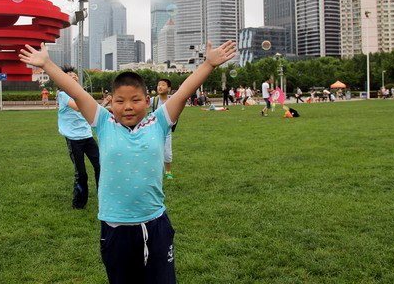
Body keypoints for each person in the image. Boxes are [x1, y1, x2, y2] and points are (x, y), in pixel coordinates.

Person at [19, 39, 235, 284]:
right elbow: (76, 92)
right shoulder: (104, 122)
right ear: (111, 102)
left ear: (147, 101)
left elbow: (185, 91)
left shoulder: (159, 122)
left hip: (155, 225)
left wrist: (208, 64)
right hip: (115, 229)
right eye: (120, 101)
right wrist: (47, 64)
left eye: (135, 100)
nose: (128, 107)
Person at [57, 66, 101, 209]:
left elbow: (92, 109)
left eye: (75, 74)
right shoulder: (63, 94)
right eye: (70, 74)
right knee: (81, 173)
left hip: (87, 136)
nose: (74, 76)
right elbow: (77, 107)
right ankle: (78, 204)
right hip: (73, 139)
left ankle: (103, 196)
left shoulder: (82, 93)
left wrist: (105, 103)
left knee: (100, 166)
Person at [151, 78, 174, 179]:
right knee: (153, 151)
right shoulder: (154, 100)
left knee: (167, 153)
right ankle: (153, 170)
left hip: (166, 131)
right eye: (159, 85)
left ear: (169, 88)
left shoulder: (172, 101)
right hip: (154, 131)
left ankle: (168, 171)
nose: (160, 87)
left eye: (163, 85)